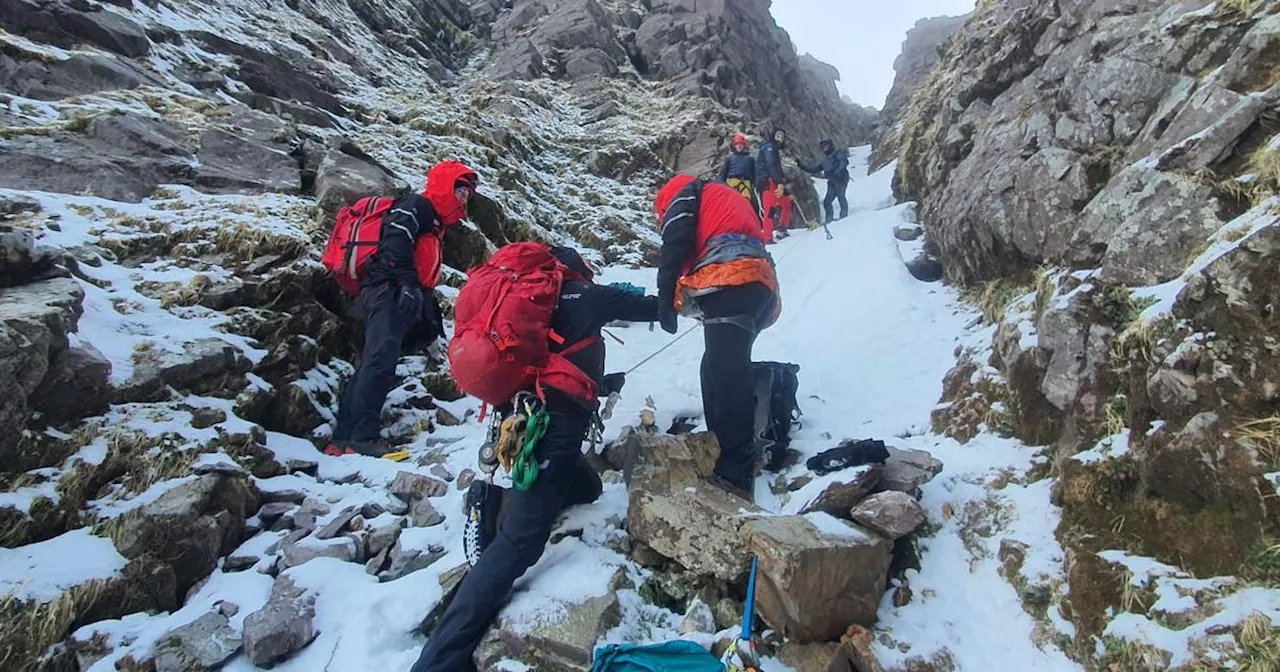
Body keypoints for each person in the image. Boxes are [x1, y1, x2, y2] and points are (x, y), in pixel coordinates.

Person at [411, 246, 659, 672]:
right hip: (553, 428)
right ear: (579, 271)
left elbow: (553, 359)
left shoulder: (536, 302)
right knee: (520, 544)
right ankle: (439, 659)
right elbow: (658, 306)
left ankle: (513, 502)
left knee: (587, 487)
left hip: (523, 416)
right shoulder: (590, 295)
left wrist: (598, 382)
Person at [325, 161, 478, 458]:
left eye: (467, 194)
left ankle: (344, 437)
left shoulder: (433, 220)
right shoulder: (417, 205)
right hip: (388, 290)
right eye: (460, 189)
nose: (464, 198)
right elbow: (396, 241)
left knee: (374, 360)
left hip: (391, 291)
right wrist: (408, 285)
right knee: (379, 361)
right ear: (444, 185)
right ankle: (361, 437)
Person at [654, 175, 782, 502]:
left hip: (730, 280)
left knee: (725, 375)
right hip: (757, 285)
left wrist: (664, 296)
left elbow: (676, 243)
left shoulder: (682, 196)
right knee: (715, 367)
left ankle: (734, 471)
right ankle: (722, 444)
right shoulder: (719, 196)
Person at [799, 139, 850, 224]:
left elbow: (843, 161)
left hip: (841, 178)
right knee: (827, 202)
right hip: (832, 181)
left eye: (826, 146)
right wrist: (801, 165)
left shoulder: (838, 153)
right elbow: (813, 169)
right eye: (822, 147)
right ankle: (829, 220)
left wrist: (839, 170)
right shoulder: (825, 161)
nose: (824, 148)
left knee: (841, 196)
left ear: (830, 146)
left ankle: (844, 217)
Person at [754, 127, 792, 242]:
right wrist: (780, 182)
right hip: (768, 181)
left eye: (782, 137)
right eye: (778, 136)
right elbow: (772, 165)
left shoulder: (770, 147)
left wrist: (782, 184)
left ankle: (781, 229)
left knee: (786, 203)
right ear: (773, 136)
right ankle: (767, 237)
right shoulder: (769, 147)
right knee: (770, 209)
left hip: (772, 181)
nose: (780, 138)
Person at [719, 133, 758, 211]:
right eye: (737, 144)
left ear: (744, 146)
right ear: (734, 146)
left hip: (746, 183)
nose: (739, 146)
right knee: (732, 203)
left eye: (741, 144)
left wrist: (756, 184)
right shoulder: (729, 158)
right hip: (733, 182)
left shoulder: (750, 159)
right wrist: (721, 184)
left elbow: (755, 173)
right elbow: (724, 172)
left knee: (746, 204)